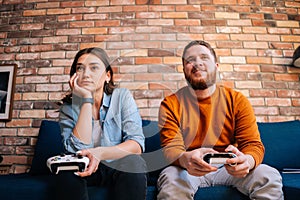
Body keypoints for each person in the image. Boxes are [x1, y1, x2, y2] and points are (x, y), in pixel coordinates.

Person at [157, 40, 283, 199]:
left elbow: (252, 144)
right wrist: (184, 158)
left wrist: (247, 162)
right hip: (189, 168)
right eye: (190, 60)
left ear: (216, 65)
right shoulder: (170, 104)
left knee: (267, 175)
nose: (197, 63)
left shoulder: (237, 100)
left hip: (230, 168)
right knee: (171, 178)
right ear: (184, 70)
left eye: (204, 57)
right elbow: (171, 149)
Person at [54, 47, 147, 200]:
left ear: (107, 76)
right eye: (80, 68)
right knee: (66, 171)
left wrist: (100, 153)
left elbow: (136, 144)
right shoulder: (68, 109)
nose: (86, 74)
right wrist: (86, 100)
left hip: (117, 166)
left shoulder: (122, 97)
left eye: (94, 68)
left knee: (134, 162)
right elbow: (75, 150)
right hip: (84, 169)